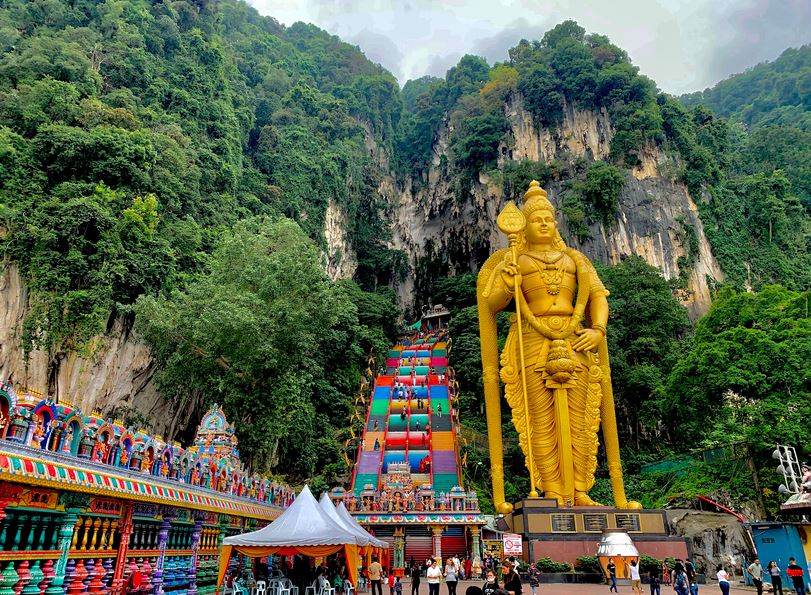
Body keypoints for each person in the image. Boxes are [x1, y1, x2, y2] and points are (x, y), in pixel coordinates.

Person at [478, 181, 641, 511]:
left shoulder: (575, 259)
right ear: (524, 225)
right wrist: (508, 282)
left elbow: (598, 295)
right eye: (536, 219)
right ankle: (552, 489)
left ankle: (580, 489)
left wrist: (597, 329)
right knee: (540, 420)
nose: (543, 223)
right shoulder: (515, 260)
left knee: (582, 418)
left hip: (575, 337)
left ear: (556, 223)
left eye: (548, 218)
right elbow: (490, 304)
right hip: (532, 340)